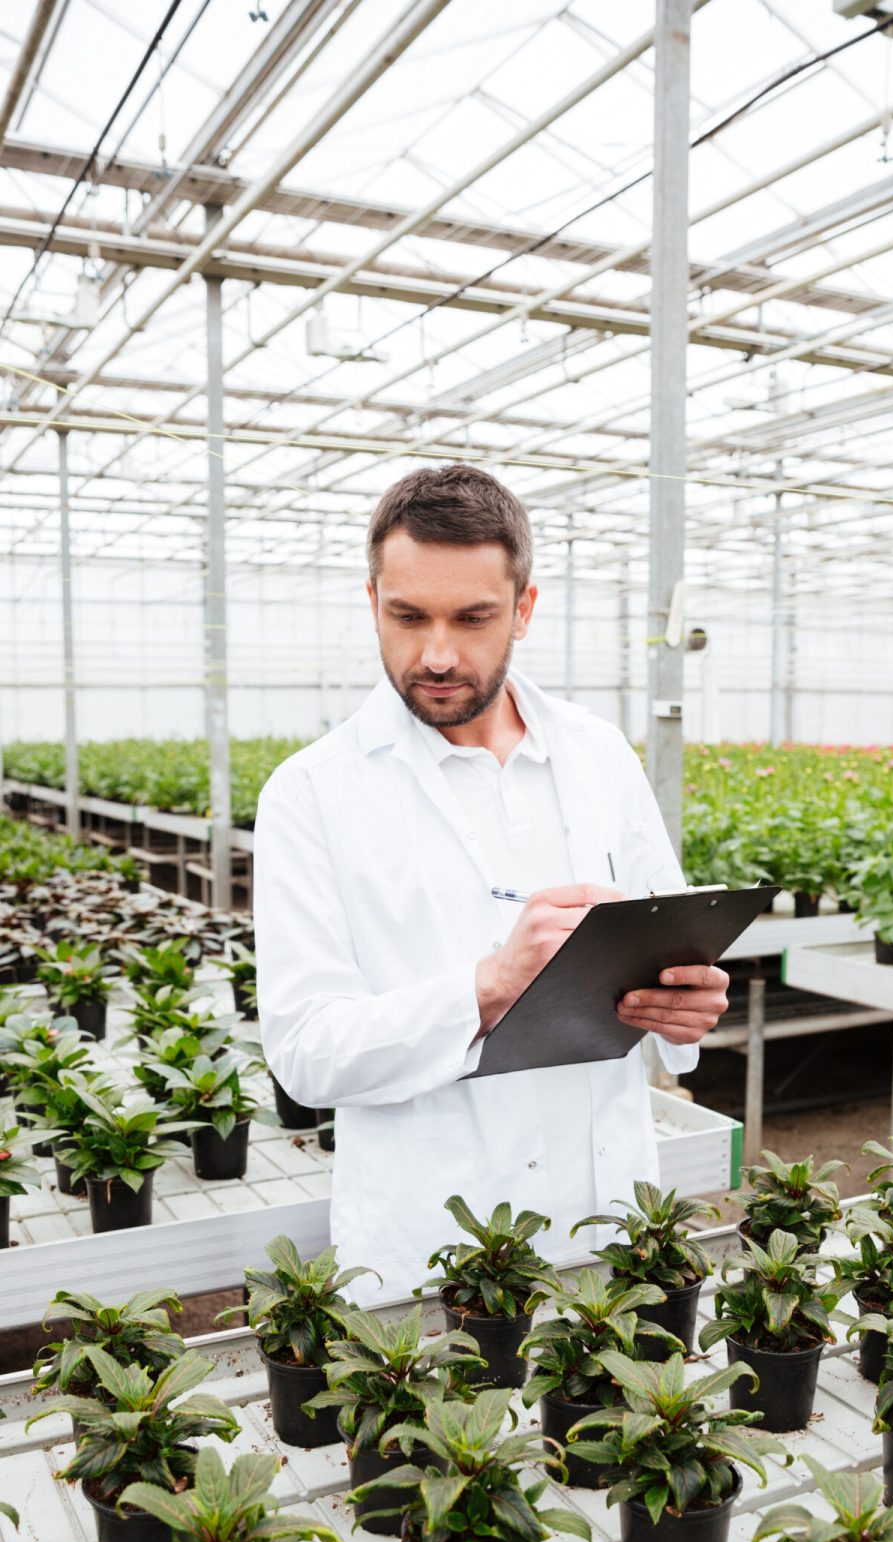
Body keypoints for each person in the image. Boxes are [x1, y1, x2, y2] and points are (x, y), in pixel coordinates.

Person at [254, 464, 729, 1302]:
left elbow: (673, 958)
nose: (437, 654)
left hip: (607, 1227)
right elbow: (305, 1056)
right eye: (407, 617)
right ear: (372, 604)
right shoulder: (313, 793)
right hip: (429, 1253)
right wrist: (490, 985)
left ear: (524, 608)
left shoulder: (598, 755)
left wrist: (688, 1010)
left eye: (473, 618)